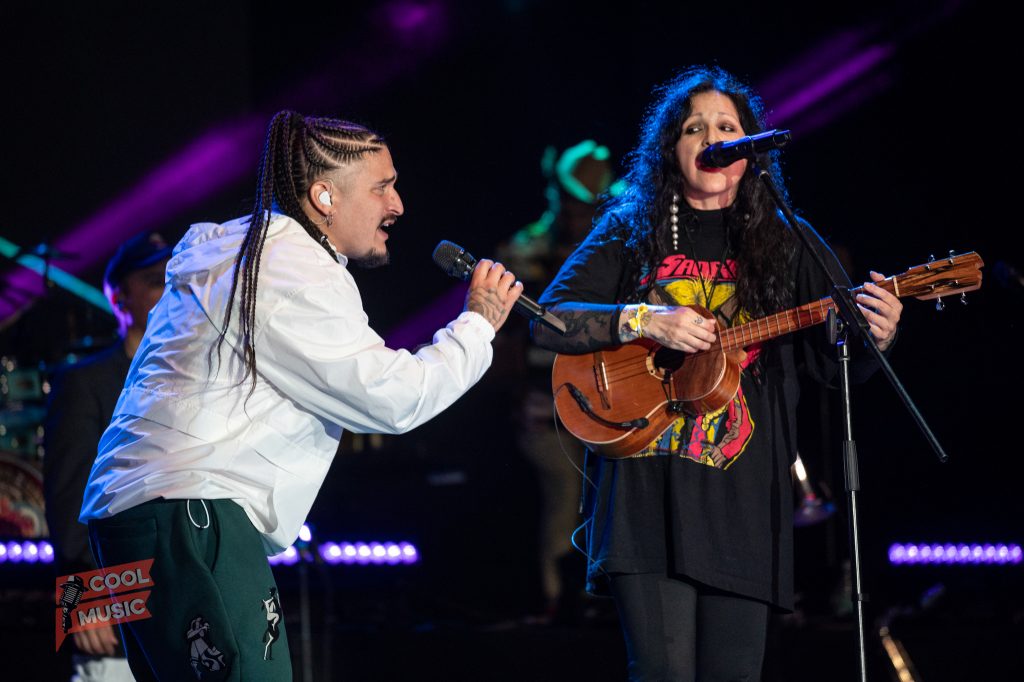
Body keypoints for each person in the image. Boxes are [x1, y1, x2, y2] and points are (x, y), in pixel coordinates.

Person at [78, 111, 523, 680]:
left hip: (136, 522)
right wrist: (478, 324)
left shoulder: (242, 253)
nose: (398, 205)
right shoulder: (291, 267)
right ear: (324, 196)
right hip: (191, 514)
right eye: (382, 187)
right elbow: (393, 398)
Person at [531, 66, 902, 680]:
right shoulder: (628, 229)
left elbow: (836, 364)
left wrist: (876, 337)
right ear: (670, 149)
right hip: (645, 502)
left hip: (744, 505)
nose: (711, 138)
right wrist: (645, 319)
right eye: (693, 128)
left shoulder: (789, 240)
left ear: (751, 149)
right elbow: (548, 321)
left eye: (727, 127)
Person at [496, 140, 620, 619]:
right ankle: (560, 601)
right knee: (566, 491)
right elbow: (511, 336)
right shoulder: (526, 249)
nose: (578, 214)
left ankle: (597, 596)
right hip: (541, 405)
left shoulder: (615, 243)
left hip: (604, 401)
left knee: (605, 493)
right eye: (573, 203)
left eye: (588, 205)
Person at [45, 231, 172, 682]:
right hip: (116, 614)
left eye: (175, 279)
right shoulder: (85, 382)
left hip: (186, 612)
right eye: (155, 280)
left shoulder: (196, 378)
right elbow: (68, 498)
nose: (170, 289)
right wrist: (81, 598)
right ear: (119, 296)